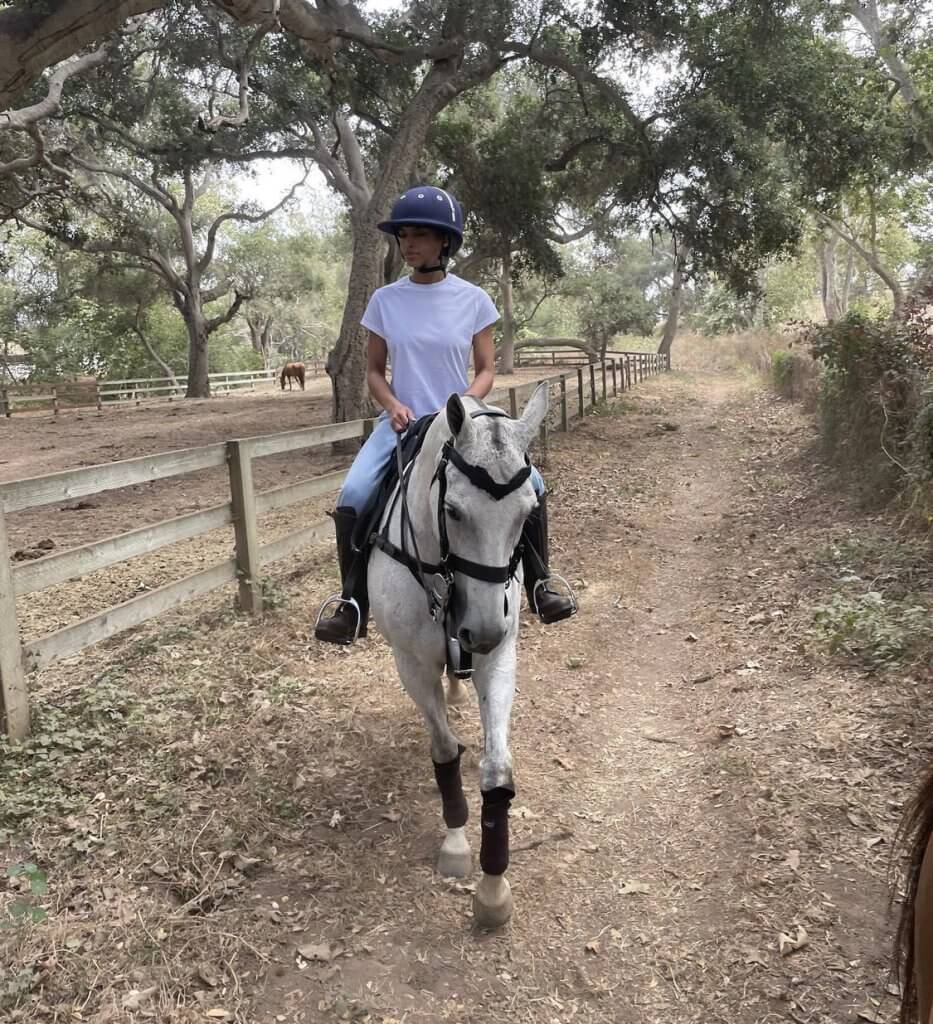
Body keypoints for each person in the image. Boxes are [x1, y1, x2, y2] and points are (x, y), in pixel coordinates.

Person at [314, 184, 575, 645]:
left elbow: (487, 369)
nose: (408, 243)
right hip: (402, 423)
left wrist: (465, 408)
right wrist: (392, 405)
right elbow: (374, 372)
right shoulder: (384, 301)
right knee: (354, 492)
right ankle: (352, 602)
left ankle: (540, 583)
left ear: (445, 243)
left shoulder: (473, 299)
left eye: (419, 235)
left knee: (530, 485)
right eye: (403, 236)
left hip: (463, 424)